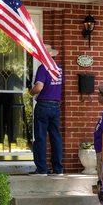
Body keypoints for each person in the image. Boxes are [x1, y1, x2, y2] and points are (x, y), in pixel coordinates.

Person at [29, 45, 63, 176]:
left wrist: (31, 93)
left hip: (43, 105)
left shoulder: (43, 68)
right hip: (55, 106)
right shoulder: (59, 69)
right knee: (55, 137)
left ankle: (42, 169)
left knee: (40, 137)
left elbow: (38, 87)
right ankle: (58, 169)